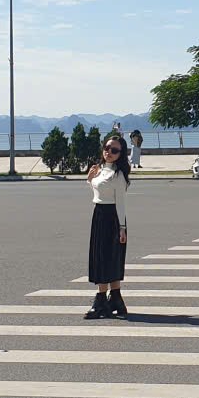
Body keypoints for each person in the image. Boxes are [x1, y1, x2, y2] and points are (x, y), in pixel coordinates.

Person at [84, 136, 131, 320]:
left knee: (106, 259)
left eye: (114, 150)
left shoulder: (118, 175)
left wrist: (122, 228)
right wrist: (89, 180)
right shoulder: (100, 169)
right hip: (99, 215)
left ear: (121, 154)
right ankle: (116, 299)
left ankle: (102, 300)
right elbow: (99, 193)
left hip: (112, 218)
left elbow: (121, 203)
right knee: (105, 257)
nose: (109, 152)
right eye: (107, 148)